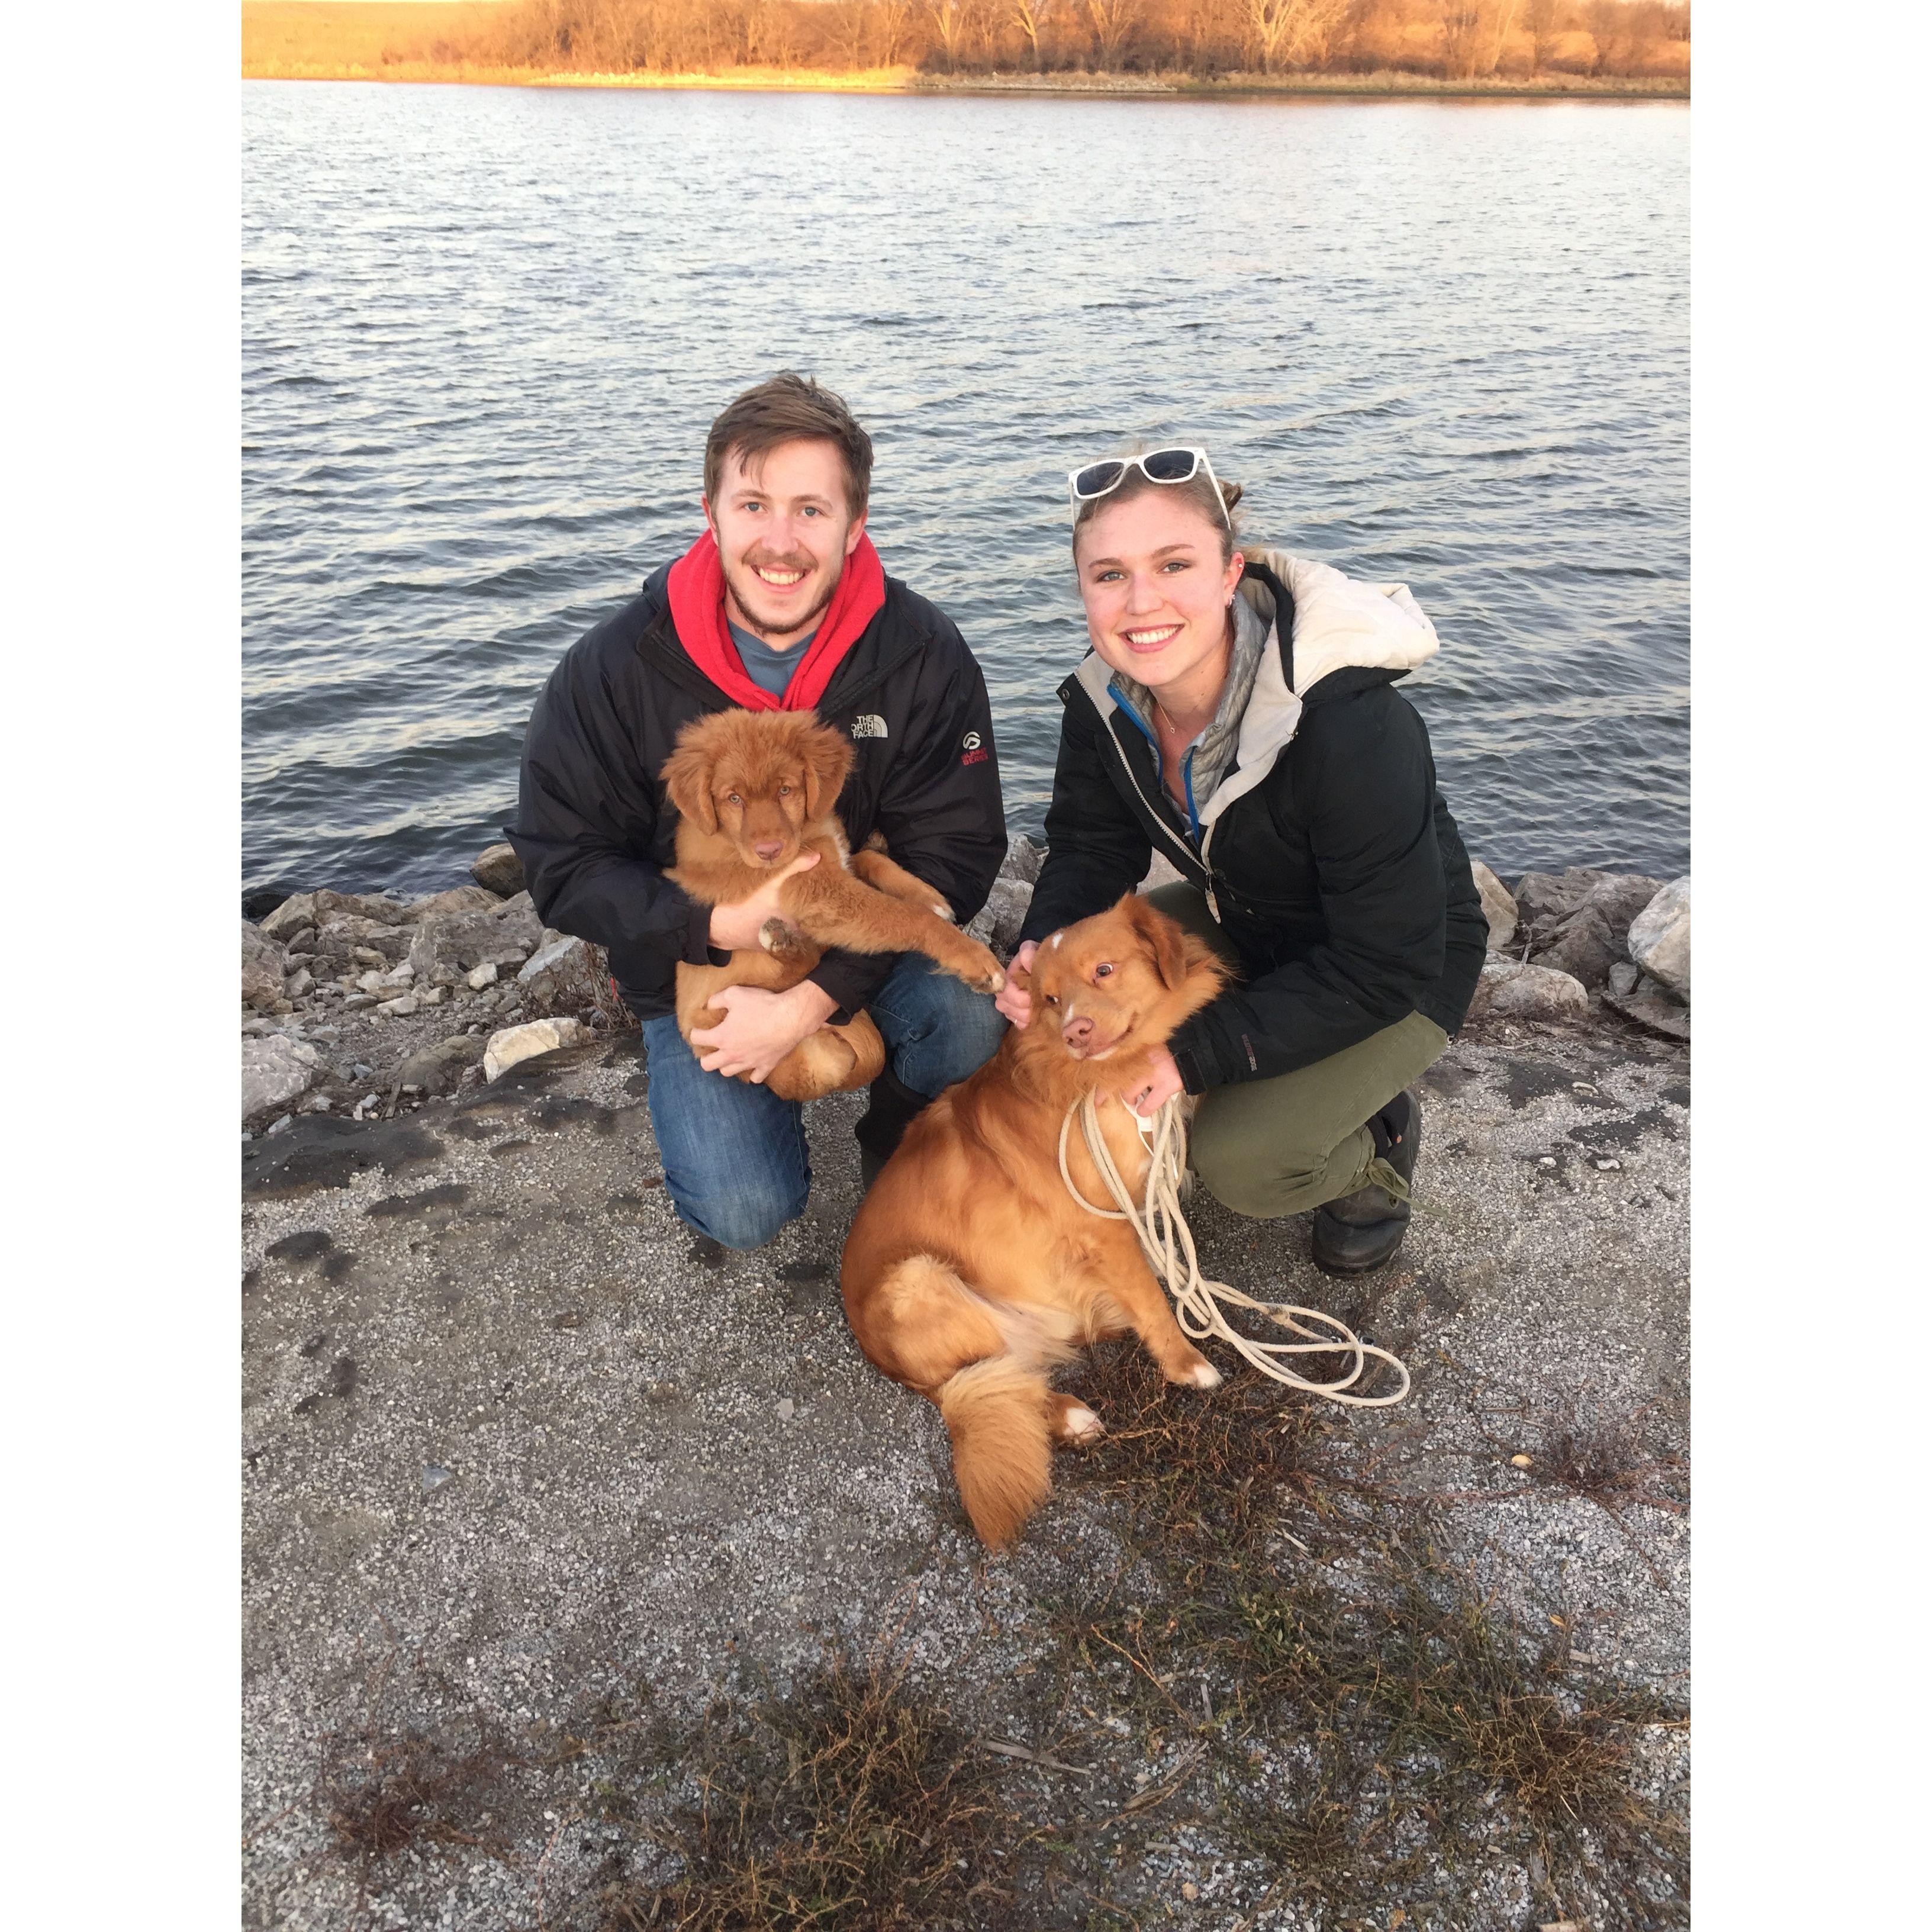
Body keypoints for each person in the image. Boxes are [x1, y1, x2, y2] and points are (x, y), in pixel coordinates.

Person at [509, 373, 1007, 1251]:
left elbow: (957, 853)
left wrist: (815, 999)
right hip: (694, 969)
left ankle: (894, 1134)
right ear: (712, 512)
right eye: (754, 505)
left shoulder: (923, 653)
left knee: (967, 1015)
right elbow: (563, 864)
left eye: (812, 510)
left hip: (861, 940)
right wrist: (712, 922)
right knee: (743, 1211)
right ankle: (733, 1104)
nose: (781, 543)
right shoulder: (612, 670)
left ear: (856, 525)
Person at [994, 447, 1487, 1274]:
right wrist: (1048, 947)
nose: (1141, 602)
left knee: (1244, 1166)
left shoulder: (1350, 726)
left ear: (1231, 573)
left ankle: (1377, 1143)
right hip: (1248, 916)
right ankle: (1277, 1062)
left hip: (1402, 963)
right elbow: (1090, 844)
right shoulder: (1104, 701)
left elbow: (1385, 960)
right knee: (1062, 1020)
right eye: (1109, 575)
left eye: (1174, 565)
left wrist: (1187, 1056)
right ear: (1082, 588)